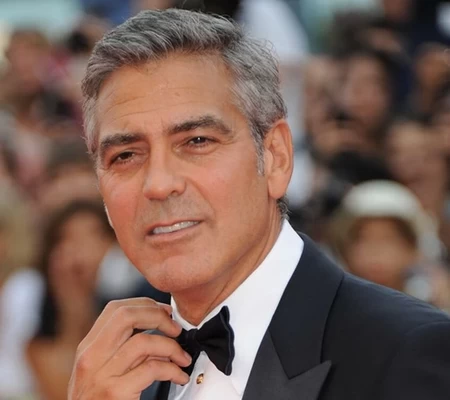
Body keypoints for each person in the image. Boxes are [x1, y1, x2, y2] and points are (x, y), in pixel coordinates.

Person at [69, 9, 450, 400]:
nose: (159, 184)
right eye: (126, 156)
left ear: (275, 157)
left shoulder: (407, 354)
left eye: (197, 141)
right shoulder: (122, 381)